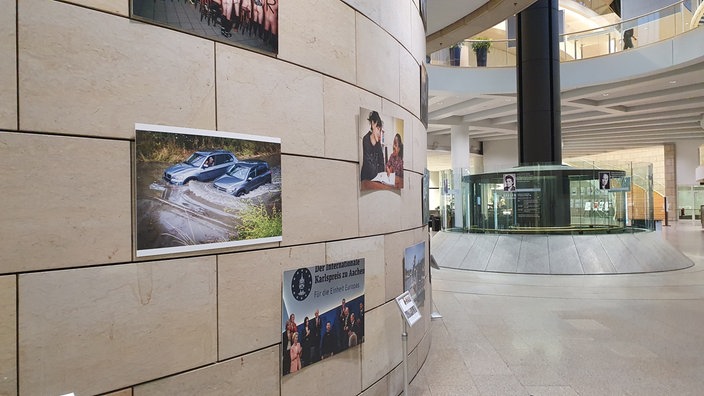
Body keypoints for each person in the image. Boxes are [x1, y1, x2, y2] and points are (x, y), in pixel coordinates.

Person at [360, 111, 385, 181]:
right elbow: (369, 166)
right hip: (366, 180)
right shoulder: (366, 139)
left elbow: (382, 163)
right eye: (378, 128)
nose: (379, 133)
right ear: (373, 124)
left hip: (376, 180)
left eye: (380, 130)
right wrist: (379, 173)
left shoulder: (378, 143)